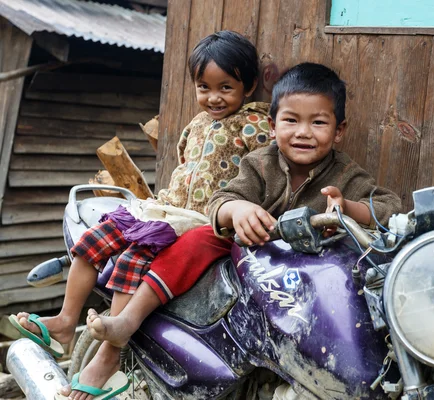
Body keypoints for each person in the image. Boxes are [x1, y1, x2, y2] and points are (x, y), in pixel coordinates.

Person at [11, 30, 272, 400]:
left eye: (225, 87)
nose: (213, 98)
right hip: (164, 209)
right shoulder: (196, 124)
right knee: (95, 239)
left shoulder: (258, 127)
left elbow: (269, 172)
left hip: (199, 220)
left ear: (248, 87)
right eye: (204, 87)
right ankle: (67, 322)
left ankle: (110, 353)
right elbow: (184, 165)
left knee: (131, 261)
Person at [84, 62, 404, 353]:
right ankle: (129, 320)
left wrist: (347, 208)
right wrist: (237, 212)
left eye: (318, 122)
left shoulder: (346, 174)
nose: (303, 132)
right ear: (272, 124)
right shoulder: (259, 163)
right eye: (291, 120)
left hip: (306, 273)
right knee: (198, 239)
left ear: (339, 131)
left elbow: (388, 206)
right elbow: (220, 201)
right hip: (249, 255)